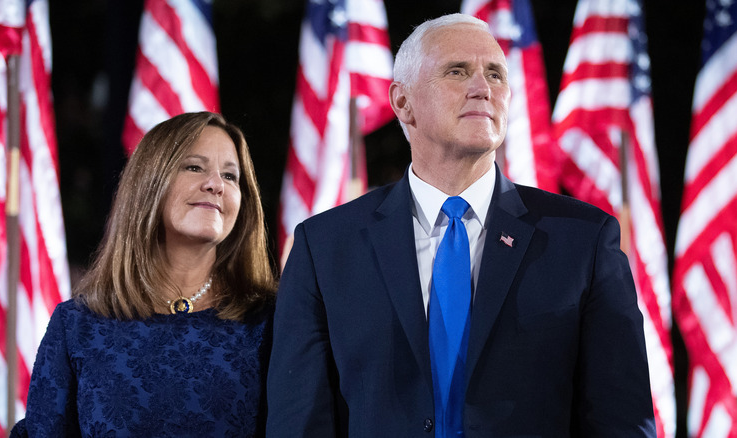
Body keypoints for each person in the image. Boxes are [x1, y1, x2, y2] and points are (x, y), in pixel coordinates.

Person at [266, 13, 656, 437]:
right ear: (403, 102)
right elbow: (297, 423)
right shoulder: (324, 246)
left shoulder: (582, 239)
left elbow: (622, 420)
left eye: (495, 74)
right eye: (458, 71)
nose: (483, 88)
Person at [14, 112, 277, 437]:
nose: (216, 184)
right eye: (194, 167)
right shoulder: (76, 326)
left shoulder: (273, 322)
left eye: (231, 176)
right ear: (149, 183)